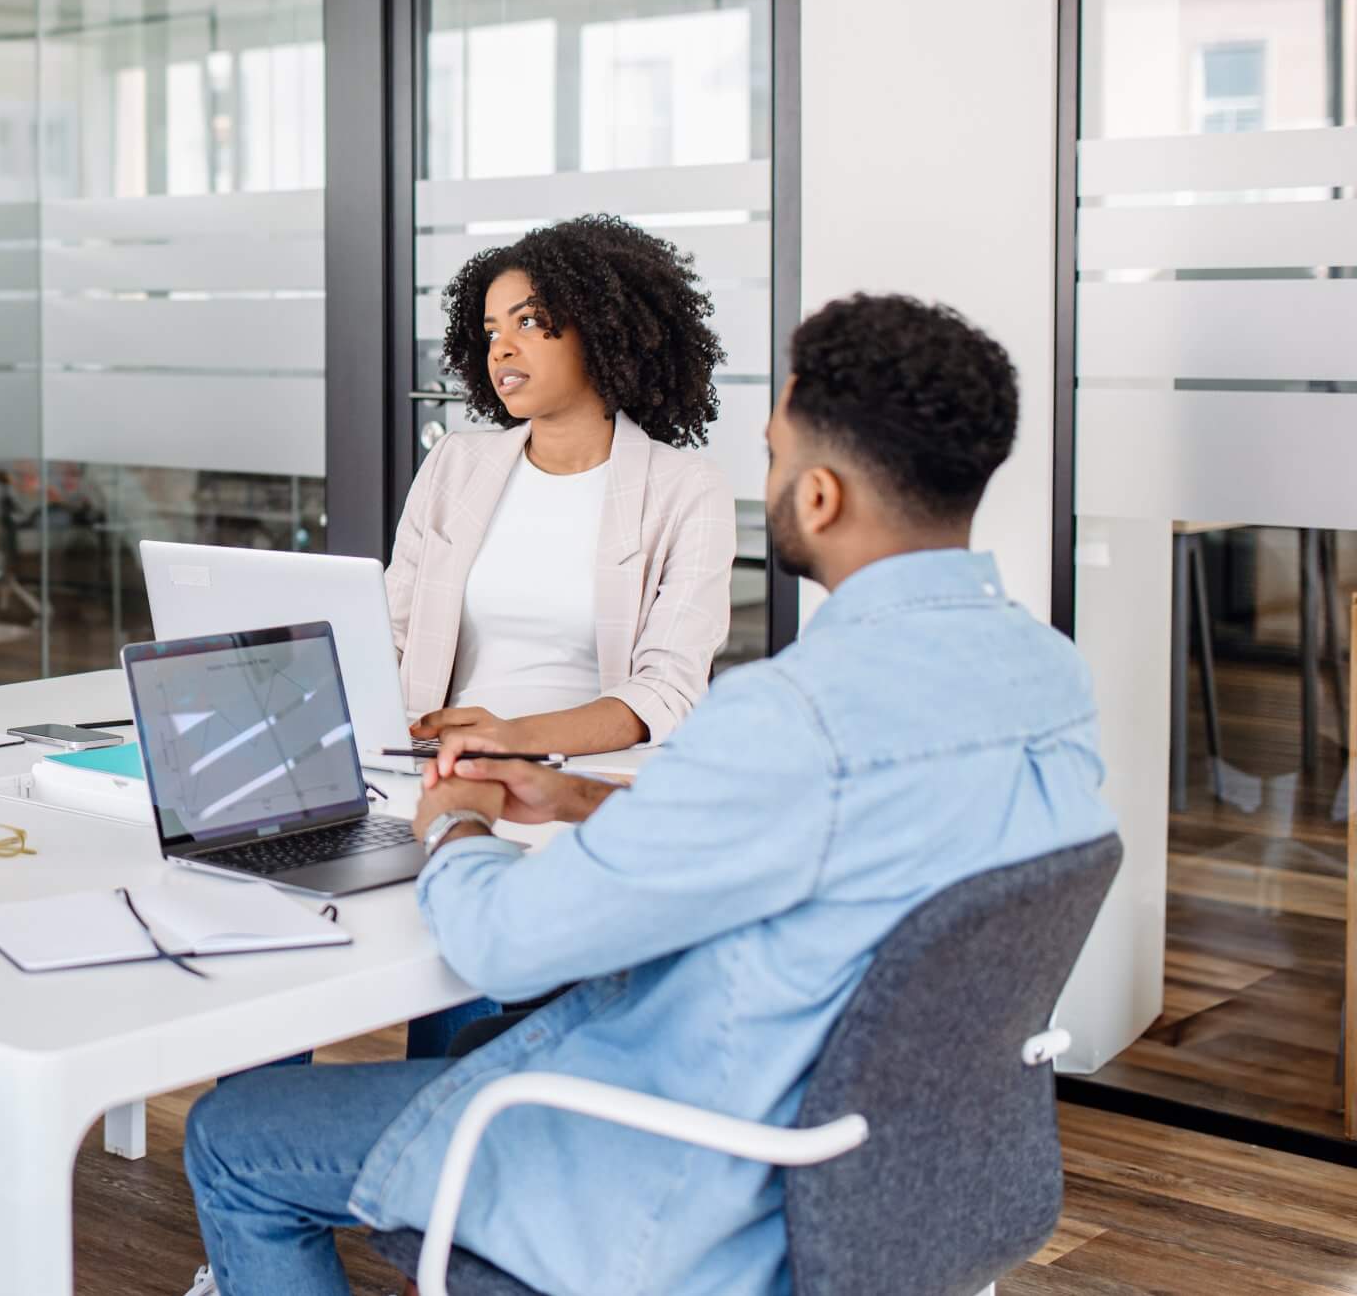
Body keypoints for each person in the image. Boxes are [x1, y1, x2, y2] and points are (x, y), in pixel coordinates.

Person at [181, 292, 1115, 1296]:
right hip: (896, 1175)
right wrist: (585, 804)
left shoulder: (791, 715)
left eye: (776, 454)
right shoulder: (1047, 676)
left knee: (234, 1137)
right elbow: (854, 838)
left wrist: (454, 821)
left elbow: (503, 943)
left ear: (819, 498)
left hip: (695, 1184)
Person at [384, 214, 737, 1057]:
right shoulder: (457, 467)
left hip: (569, 790)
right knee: (288, 916)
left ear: (605, 332)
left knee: (465, 993)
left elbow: (667, 691)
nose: (504, 348)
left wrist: (513, 740)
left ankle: (440, 1141)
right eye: (491, 330)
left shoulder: (685, 489)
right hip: (432, 766)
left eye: (533, 323)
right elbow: (390, 629)